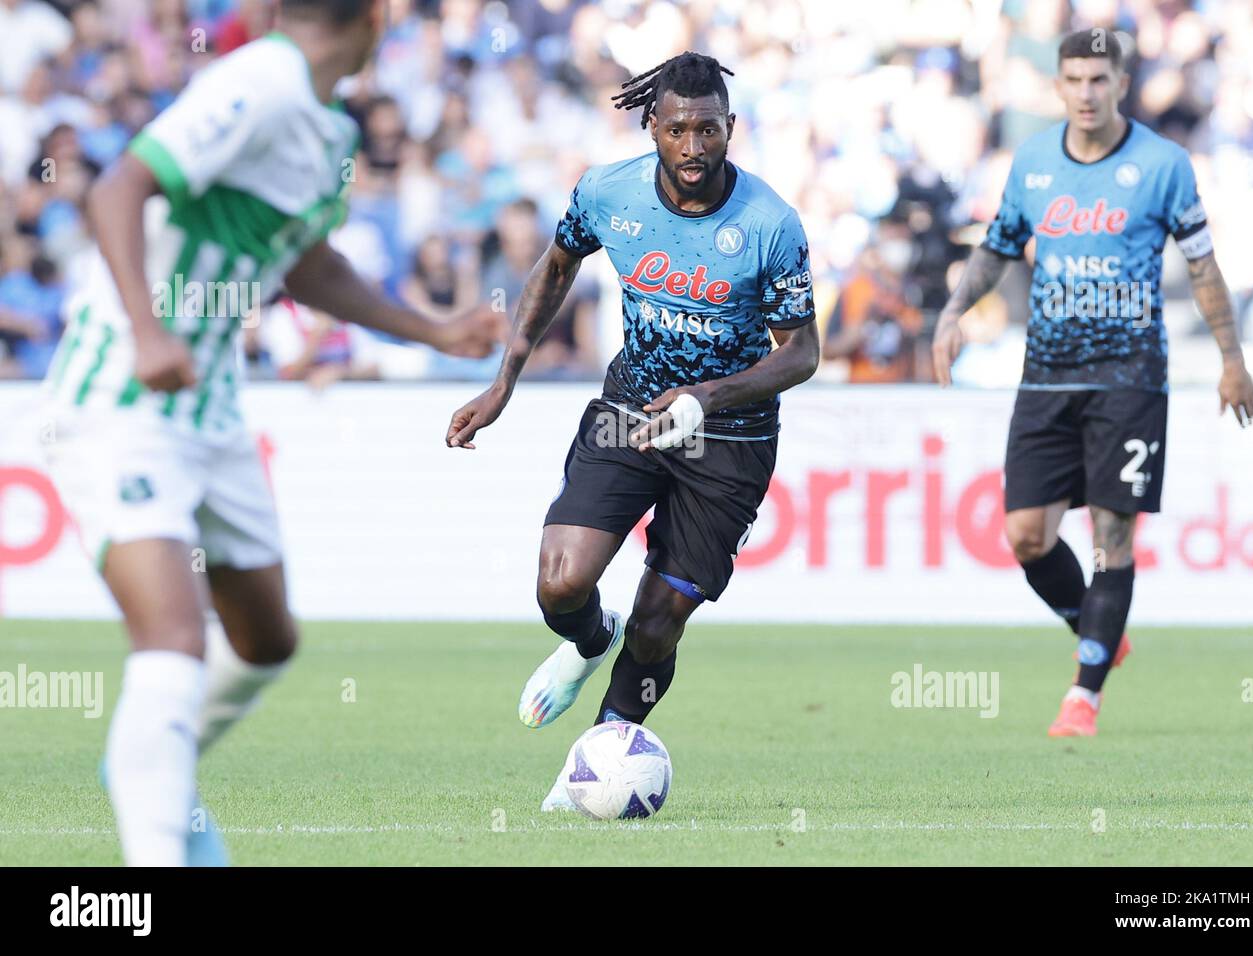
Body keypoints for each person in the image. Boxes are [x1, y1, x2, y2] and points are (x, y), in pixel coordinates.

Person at [39, 0, 492, 866]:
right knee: (173, 641)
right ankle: (155, 849)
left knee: (266, 640)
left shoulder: (326, 131)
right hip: (120, 394)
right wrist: (148, 329)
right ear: (377, 20)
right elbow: (117, 187)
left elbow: (306, 264)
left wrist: (429, 329)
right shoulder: (261, 81)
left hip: (209, 408)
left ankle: (150, 762)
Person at [445, 51, 819, 812]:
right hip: (629, 413)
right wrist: (503, 381)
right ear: (652, 125)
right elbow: (554, 269)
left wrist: (710, 397)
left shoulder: (769, 225)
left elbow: (804, 352)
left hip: (730, 441)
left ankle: (596, 760)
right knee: (561, 584)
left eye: (708, 130)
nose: (692, 148)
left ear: (730, 129)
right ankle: (588, 639)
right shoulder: (606, 192)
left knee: (658, 626)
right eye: (677, 129)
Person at [932, 28, 1253, 737]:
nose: (1086, 92)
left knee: (1113, 537)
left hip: (1129, 379)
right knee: (1025, 537)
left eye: (1099, 80)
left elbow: (1202, 266)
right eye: (1074, 79)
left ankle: (1084, 694)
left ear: (1120, 82)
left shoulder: (1163, 165)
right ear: (1058, 85)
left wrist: (1232, 360)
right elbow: (996, 248)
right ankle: (1097, 626)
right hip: (1047, 378)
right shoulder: (1033, 162)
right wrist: (955, 311)